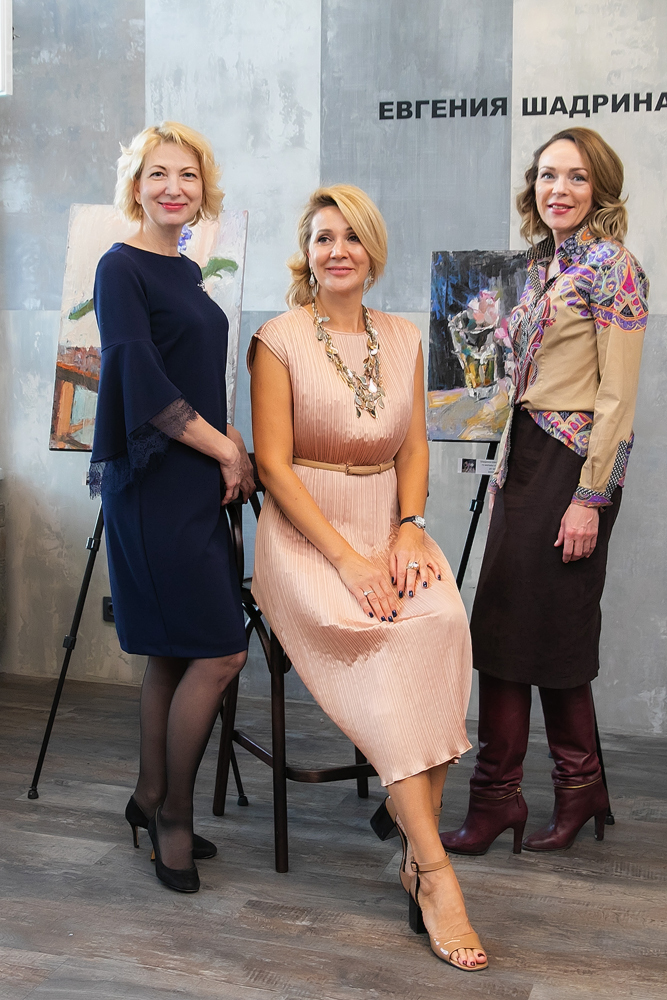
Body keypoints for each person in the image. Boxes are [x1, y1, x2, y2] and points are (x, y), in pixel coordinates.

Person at [248, 185, 488, 972]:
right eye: (323, 238)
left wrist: (409, 526)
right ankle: (436, 872)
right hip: (305, 536)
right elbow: (273, 467)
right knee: (382, 642)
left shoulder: (404, 336)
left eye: (352, 237)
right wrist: (347, 562)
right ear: (307, 252)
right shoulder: (277, 340)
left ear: (373, 251)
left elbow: (413, 446)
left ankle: (415, 853)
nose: (338, 250)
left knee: (441, 626)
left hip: (388, 523)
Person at [442, 127, 648, 857]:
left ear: (601, 190)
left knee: (537, 629)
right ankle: (563, 788)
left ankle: (508, 795)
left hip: (574, 462)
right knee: (521, 627)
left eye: (577, 177)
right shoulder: (541, 265)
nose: (558, 189)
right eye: (547, 175)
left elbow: (617, 398)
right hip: (524, 456)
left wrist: (591, 497)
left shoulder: (614, 268)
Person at [89, 122, 255, 894]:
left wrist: (227, 441)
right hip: (155, 486)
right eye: (158, 174)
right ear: (136, 186)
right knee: (220, 653)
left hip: (193, 479)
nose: (173, 188)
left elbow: (194, 373)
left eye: (187, 175)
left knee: (174, 652)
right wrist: (227, 452)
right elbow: (142, 383)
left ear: (202, 188)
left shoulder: (185, 270)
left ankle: (149, 794)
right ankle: (175, 818)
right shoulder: (119, 268)